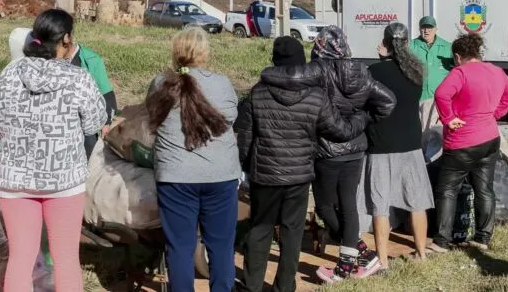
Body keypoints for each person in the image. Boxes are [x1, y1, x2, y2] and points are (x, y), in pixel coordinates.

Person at [0, 9, 107, 292]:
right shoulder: (79, 78)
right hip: (64, 182)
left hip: (15, 182)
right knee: (65, 260)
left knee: (20, 259)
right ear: (67, 39)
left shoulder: (9, 74)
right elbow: (93, 124)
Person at [236, 36, 369, 292]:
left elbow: (245, 138)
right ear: (302, 62)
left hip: (265, 176)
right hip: (299, 176)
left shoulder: (258, 93)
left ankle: (252, 286)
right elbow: (340, 131)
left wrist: (247, 167)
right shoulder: (315, 95)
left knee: (260, 229)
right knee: (292, 232)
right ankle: (285, 286)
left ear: (274, 61)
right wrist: (362, 117)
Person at [146, 27, 241, 292]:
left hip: (175, 177)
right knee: (221, 246)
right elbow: (231, 119)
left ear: (175, 53)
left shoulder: (159, 83)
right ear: (205, 53)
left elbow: (151, 116)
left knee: (180, 247)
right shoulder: (222, 83)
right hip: (220, 176)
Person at [310, 26, 396, 282]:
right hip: (355, 149)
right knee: (348, 206)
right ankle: (361, 256)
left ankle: (346, 266)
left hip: (326, 149)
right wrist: (364, 119)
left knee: (325, 207)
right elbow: (388, 101)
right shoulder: (361, 72)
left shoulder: (317, 72)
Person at [431, 33, 508, 251]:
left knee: (448, 189)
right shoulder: (496, 71)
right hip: (490, 138)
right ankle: (483, 238)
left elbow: (441, 94)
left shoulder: (460, 72)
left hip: (462, 141)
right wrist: (496, 113)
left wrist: (449, 119)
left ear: (458, 56)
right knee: (484, 189)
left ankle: (442, 240)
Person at [365, 22, 436, 270]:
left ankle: (382, 261)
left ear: (385, 44)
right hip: (410, 143)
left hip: (381, 143)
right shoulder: (416, 72)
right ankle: (421, 253)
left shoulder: (373, 71)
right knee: (417, 201)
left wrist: (380, 58)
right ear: (407, 43)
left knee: (380, 204)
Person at [7, 25, 116, 158]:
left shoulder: (90, 61)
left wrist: (107, 123)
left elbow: (107, 95)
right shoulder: (44, 60)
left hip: (77, 132)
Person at [410, 16, 453, 159]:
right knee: (419, 131)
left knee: (436, 131)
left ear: (436, 29)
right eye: (423, 27)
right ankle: (420, 158)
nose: (426, 30)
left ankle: (434, 159)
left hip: (439, 99)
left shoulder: (447, 47)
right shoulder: (412, 45)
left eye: (429, 28)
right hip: (418, 96)